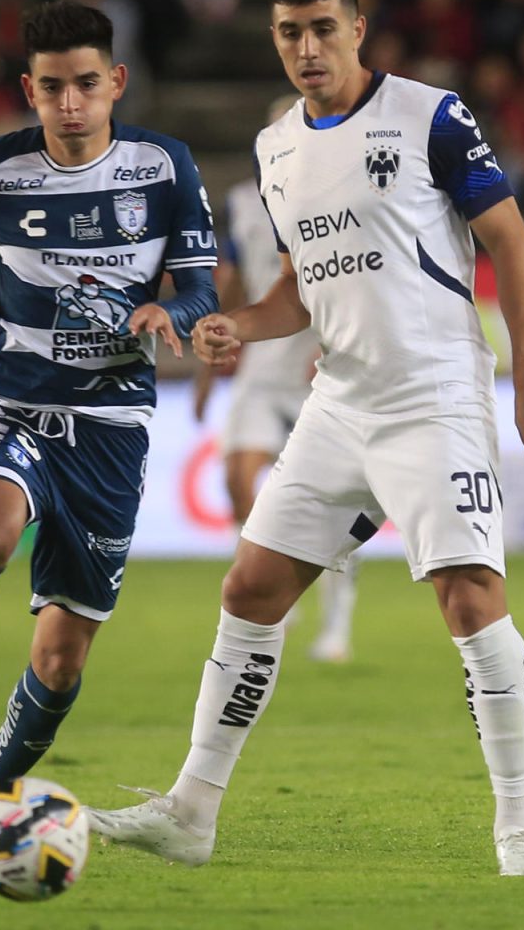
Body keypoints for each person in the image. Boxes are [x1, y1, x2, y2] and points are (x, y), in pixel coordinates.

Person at [87, 0, 524, 877]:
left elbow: (508, 239)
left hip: (432, 395)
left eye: (321, 28)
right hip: (340, 400)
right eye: (287, 32)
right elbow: (297, 293)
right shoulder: (276, 149)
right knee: (249, 590)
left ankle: (518, 832)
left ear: (357, 27)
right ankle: (191, 812)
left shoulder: (431, 114)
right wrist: (235, 325)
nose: (306, 48)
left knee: (469, 601)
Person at [0, 1, 219, 850]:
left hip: (113, 421)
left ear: (116, 84)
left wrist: (171, 314)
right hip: (9, 395)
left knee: (61, 660)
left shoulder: (163, 167)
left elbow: (204, 284)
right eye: (54, 87)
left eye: (87, 86)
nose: (71, 104)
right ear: (30, 89)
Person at [194, 93, 359, 663]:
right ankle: (275, 594)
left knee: (336, 503)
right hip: (262, 370)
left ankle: (337, 619)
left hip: (322, 371)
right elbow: (236, 282)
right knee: (239, 477)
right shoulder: (243, 202)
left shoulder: (344, 194)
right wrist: (209, 364)